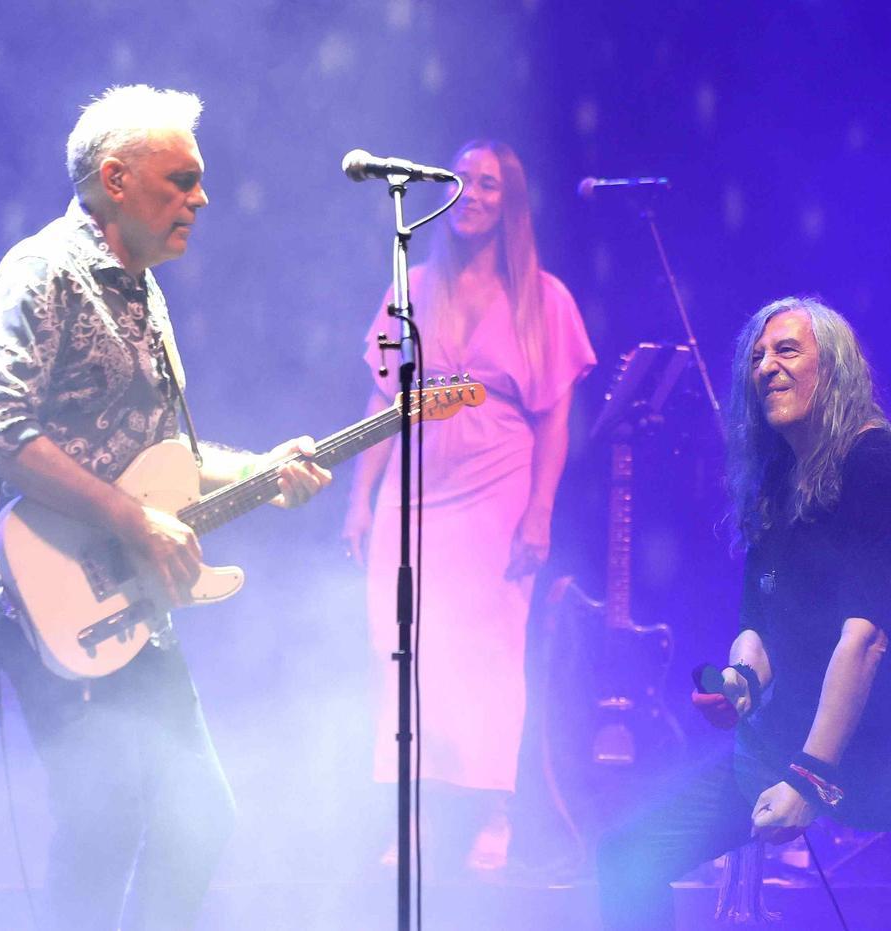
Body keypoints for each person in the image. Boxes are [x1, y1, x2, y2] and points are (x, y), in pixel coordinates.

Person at [0, 85, 331, 931]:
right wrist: (132, 521)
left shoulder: (143, 292)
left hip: (132, 602)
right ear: (115, 179)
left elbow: (162, 461)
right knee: (104, 823)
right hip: (44, 602)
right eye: (182, 179)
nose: (201, 198)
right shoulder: (40, 272)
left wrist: (264, 467)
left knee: (199, 813)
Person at [597, 297, 891, 930]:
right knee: (629, 853)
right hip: (799, 728)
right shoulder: (774, 479)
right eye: (757, 357)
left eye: (787, 351)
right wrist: (741, 682)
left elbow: (863, 639)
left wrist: (809, 777)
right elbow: (757, 626)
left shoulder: (875, 462)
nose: (766, 366)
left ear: (835, 369)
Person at [341, 139, 595, 871]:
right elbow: (381, 400)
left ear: (510, 203)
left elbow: (555, 420)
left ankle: (493, 808)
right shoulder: (411, 284)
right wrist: (359, 501)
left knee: (487, 650)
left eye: (489, 185)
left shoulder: (543, 298)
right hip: (413, 493)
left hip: (497, 488)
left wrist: (540, 512)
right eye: (464, 183)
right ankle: (409, 814)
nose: (474, 195)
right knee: (406, 647)